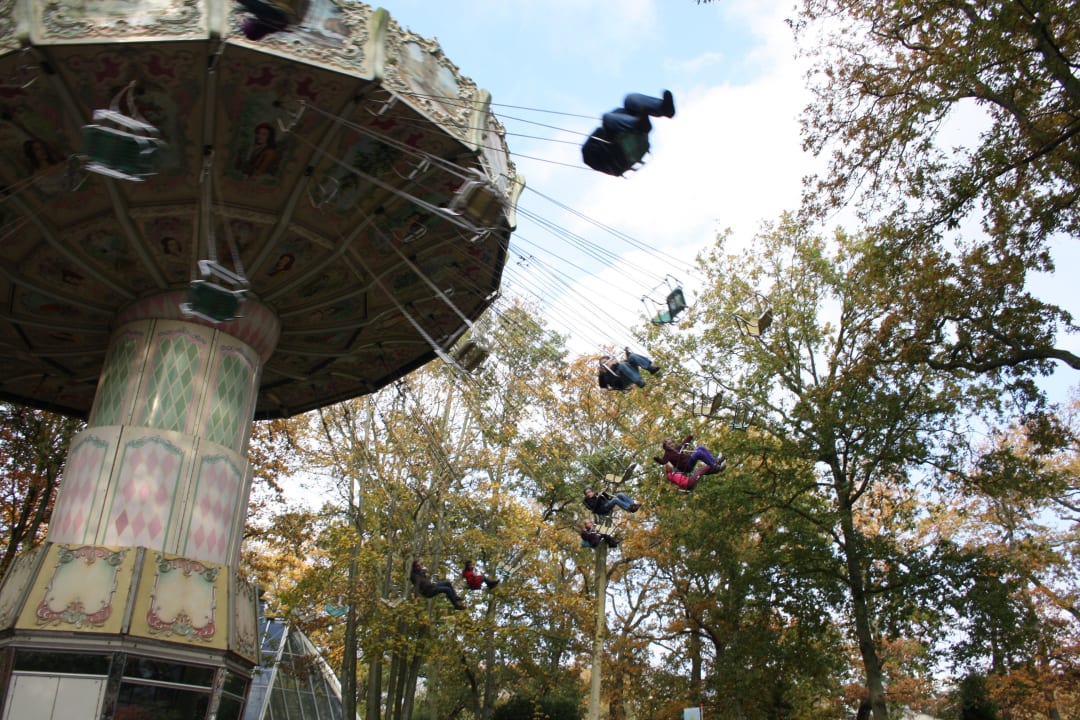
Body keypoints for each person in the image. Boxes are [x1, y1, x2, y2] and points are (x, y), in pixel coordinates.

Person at [581, 90, 676, 177]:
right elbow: (605, 131)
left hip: (629, 132)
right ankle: (638, 125)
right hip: (621, 148)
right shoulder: (592, 153)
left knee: (629, 99)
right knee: (606, 118)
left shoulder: (616, 118)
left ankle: (664, 108)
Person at [653, 434, 726, 483]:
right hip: (686, 466)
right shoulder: (667, 455)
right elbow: (663, 462)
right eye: (669, 444)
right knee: (698, 453)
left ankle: (715, 460)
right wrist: (656, 458)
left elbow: (683, 444)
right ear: (665, 446)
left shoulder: (676, 449)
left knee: (700, 448)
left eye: (672, 443)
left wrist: (690, 437)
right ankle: (714, 466)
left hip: (689, 460)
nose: (671, 445)